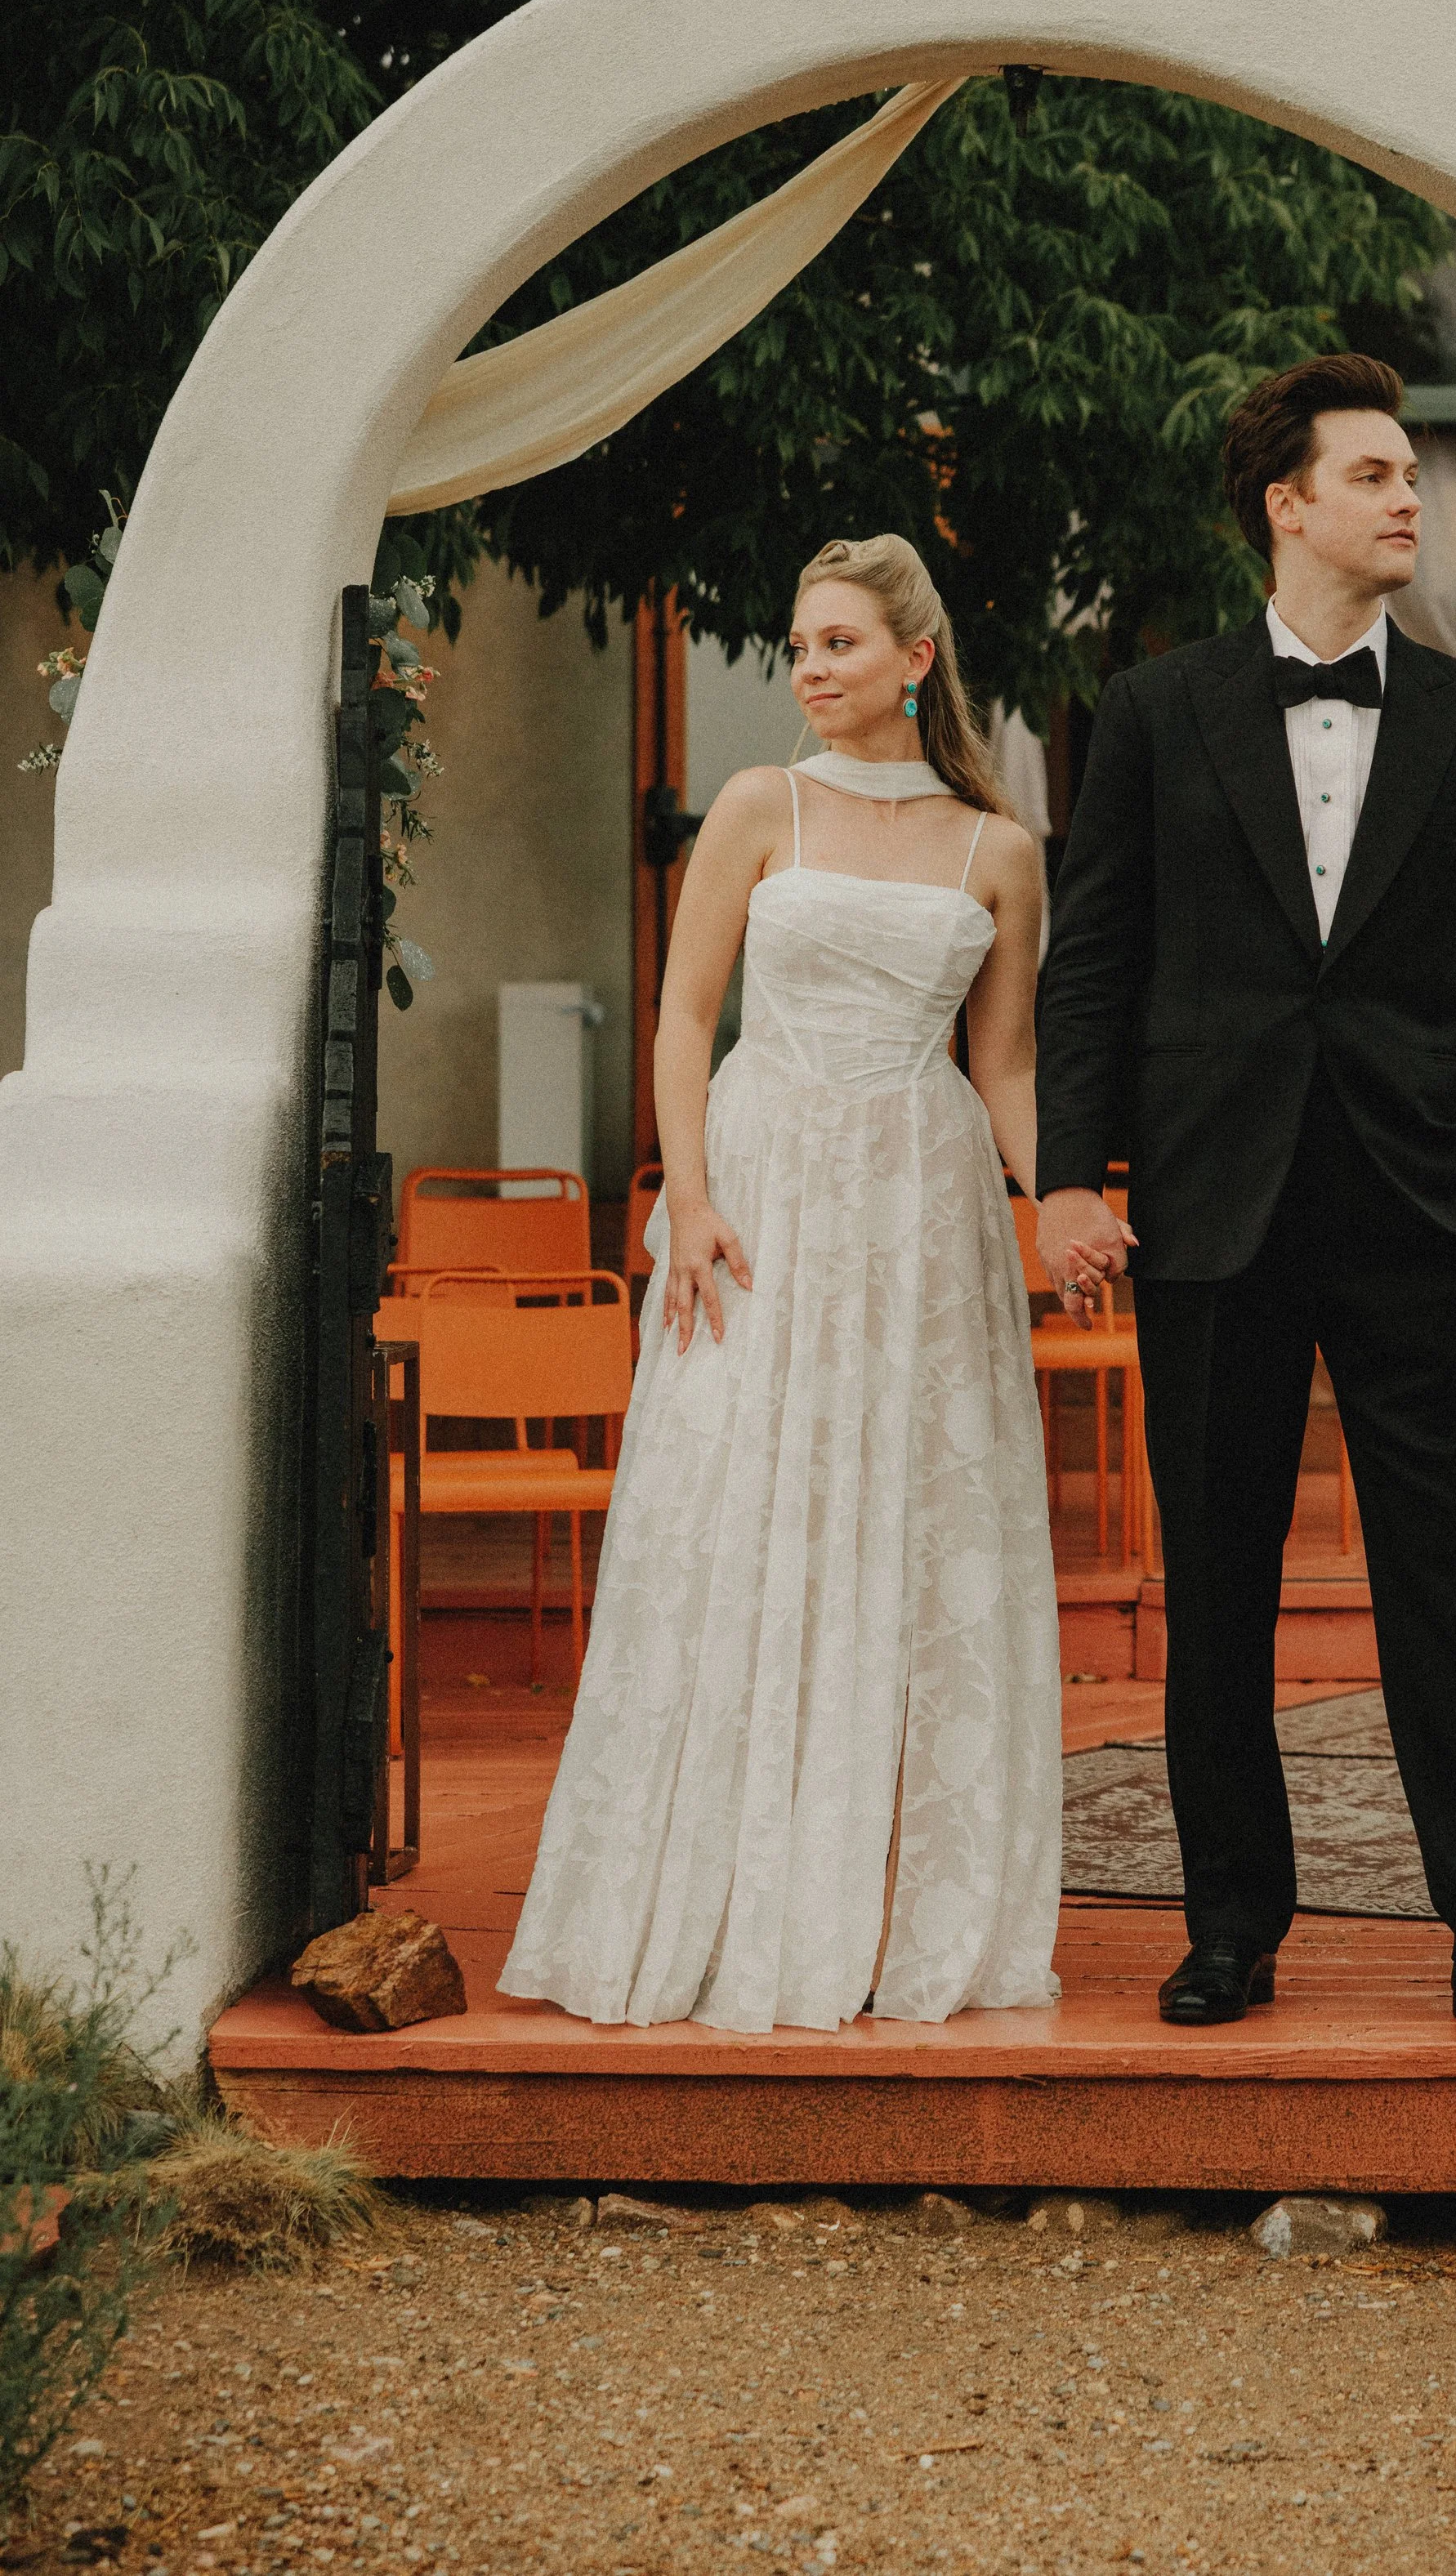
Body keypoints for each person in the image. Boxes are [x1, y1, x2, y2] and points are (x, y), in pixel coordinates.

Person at [1033, 353, 1456, 2044]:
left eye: (1411, 477)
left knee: (1440, 1575)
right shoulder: (1155, 712)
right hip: (1207, 1210)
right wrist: (1065, 1177)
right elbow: (1092, 964)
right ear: (1282, 502)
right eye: (1370, 473)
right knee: (1214, 1581)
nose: (1406, 498)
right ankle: (1228, 1921)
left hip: (1414, 1209)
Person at [501, 534, 1088, 2034]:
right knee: (730, 1512)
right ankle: (712, 1904)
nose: (811, 669)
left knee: (911, 1528)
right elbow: (684, 1018)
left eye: (839, 643)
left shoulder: (998, 849)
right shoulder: (762, 807)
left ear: (915, 659)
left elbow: (1004, 1064)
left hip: (921, 1203)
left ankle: (899, 1916)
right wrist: (685, 1203)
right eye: (800, 643)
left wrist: (1062, 1200)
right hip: (760, 1193)